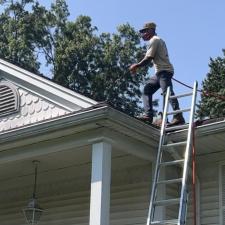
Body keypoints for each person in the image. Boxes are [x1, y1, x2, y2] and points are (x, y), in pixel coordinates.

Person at [129, 22, 185, 126]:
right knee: (147, 90)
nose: (143, 34)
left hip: (164, 71)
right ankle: (148, 116)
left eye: (144, 31)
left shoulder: (154, 40)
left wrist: (136, 66)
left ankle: (178, 116)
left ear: (151, 30)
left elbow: (149, 58)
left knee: (167, 93)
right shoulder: (157, 41)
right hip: (160, 72)